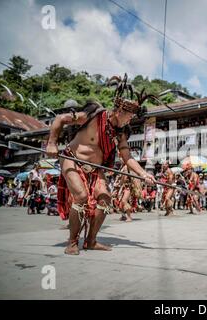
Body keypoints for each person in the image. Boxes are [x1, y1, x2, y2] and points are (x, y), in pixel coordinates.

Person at [46, 73, 156, 255]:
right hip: (72, 159)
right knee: (80, 197)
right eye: (129, 117)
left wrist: (143, 174)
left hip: (96, 169)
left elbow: (127, 157)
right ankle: (72, 241)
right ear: (119, 111)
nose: (130, 121)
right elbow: (60, 119)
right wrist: (51, 143)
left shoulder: (121, 132)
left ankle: (91, 241)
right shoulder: (93, 115)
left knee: (105, 199)